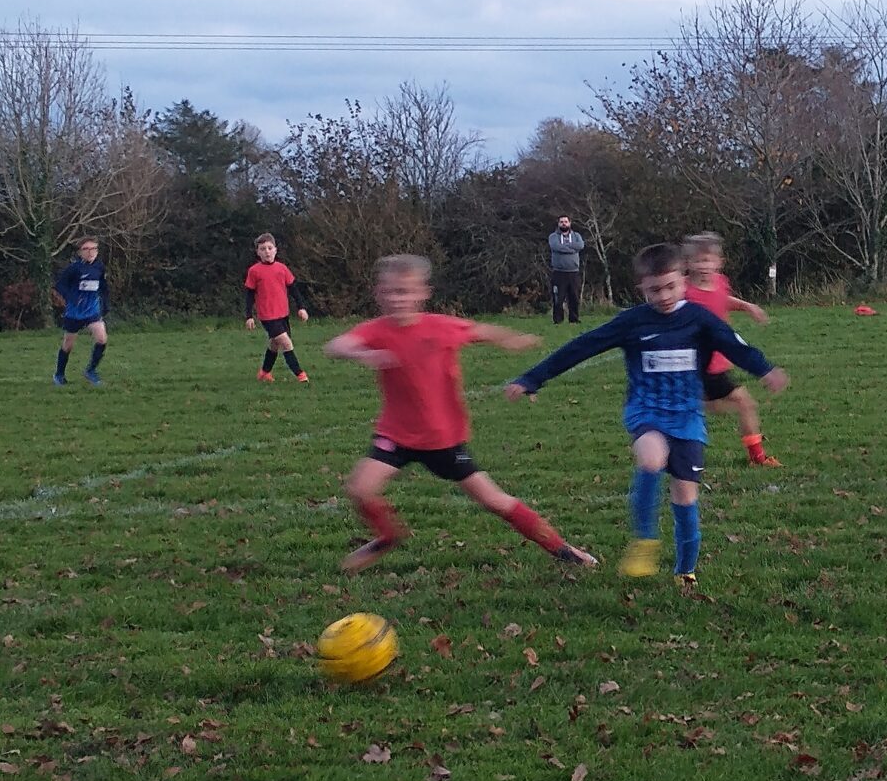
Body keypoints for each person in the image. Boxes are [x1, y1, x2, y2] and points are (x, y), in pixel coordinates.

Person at [506, 242, 789, 588]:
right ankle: (645, 540)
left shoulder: (699, 320)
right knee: (651, 458)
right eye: (655, 290)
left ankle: (685, 570)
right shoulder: (633, 322)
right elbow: (581, 347)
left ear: (683, 280)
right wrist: (533, 378)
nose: (664, 296)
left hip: (687, 417)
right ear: (641, 288)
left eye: (671, 286)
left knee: (685, 497)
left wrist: (764, 369)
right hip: (647, 410)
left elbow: (735, 345)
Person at [325, 254, 597, 574]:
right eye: (390, 292)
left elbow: (479, 330)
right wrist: (363, 354)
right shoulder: (375, 330)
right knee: (359, 489)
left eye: (405, 291)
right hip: (396, 436)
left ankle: (564, 550)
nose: (397, 299)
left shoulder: (440, 327)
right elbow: (336, 346)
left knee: (495, 500)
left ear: (422, 293)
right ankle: (388, 536)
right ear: (378, 294)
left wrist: (512, 339)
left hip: (443, 440)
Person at [682, 233, 782, 466]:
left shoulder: (720, 282)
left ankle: (687, 406)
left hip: (720, 361)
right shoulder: (683, 292)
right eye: (698, 261)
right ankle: (758, 458)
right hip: (697, 363)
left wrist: (746, 306)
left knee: (725, 404)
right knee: (745, 403)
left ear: (719, 262)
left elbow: (721, 300)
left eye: (708, 260)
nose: (703, 266)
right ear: (688, 263)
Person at [244, 233, 311, 382]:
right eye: (263, 249)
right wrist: (249, 316)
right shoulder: (254, 271)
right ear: (258, 252)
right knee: (286, 342)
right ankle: (300, 374)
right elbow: (249, 295)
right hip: (267, 316)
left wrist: (301, 307)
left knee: (274, 344)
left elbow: (293, 289)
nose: (267, 251)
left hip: (282, 314)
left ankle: (264, 372)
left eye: (269, 248)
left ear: (275, 250)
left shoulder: (282, 268)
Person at [51, 238, 108, 385]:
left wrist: (105, 304)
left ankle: (90, 371)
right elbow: (59, 286)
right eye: (86, 249)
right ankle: (59, 374)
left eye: (93, 249)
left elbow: (102, 286)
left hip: (92, 310)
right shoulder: (74, 268)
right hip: (74, 312)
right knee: (68, 345)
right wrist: (73, 299)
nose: (90, 252)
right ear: (80, 252)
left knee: (102, 339)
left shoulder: (99, 267)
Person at [548, 215, 585, 325]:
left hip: (574, 272)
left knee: (574, 297)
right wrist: (572, 248)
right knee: (558, 298)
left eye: (565, 221)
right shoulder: (553, 237)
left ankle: (574, 319)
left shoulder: (576, 235)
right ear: (558, 224)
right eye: (561, 222)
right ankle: (558, 321)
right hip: (559, 273)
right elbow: (556, 247)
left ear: (570, 223)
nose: (564, 223)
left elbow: (580, 245)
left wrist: (566, 246)